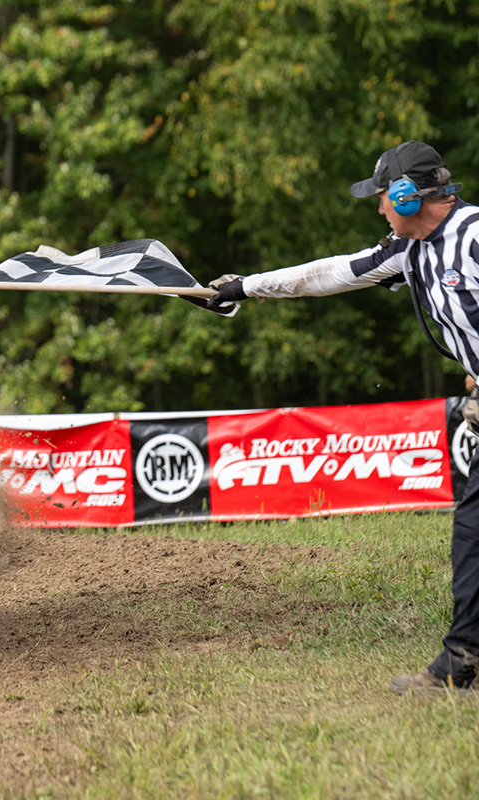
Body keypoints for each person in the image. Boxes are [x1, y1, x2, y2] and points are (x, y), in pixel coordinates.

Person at [204, 140, 479, 696]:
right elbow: (331, 273)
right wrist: (243, 288)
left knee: (474, 534)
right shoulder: (413, 249)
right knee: (473, 534)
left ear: (406, 196)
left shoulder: (475, 235)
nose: (378, 208)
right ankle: (464, 662)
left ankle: (463, 665)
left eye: (382, 197)